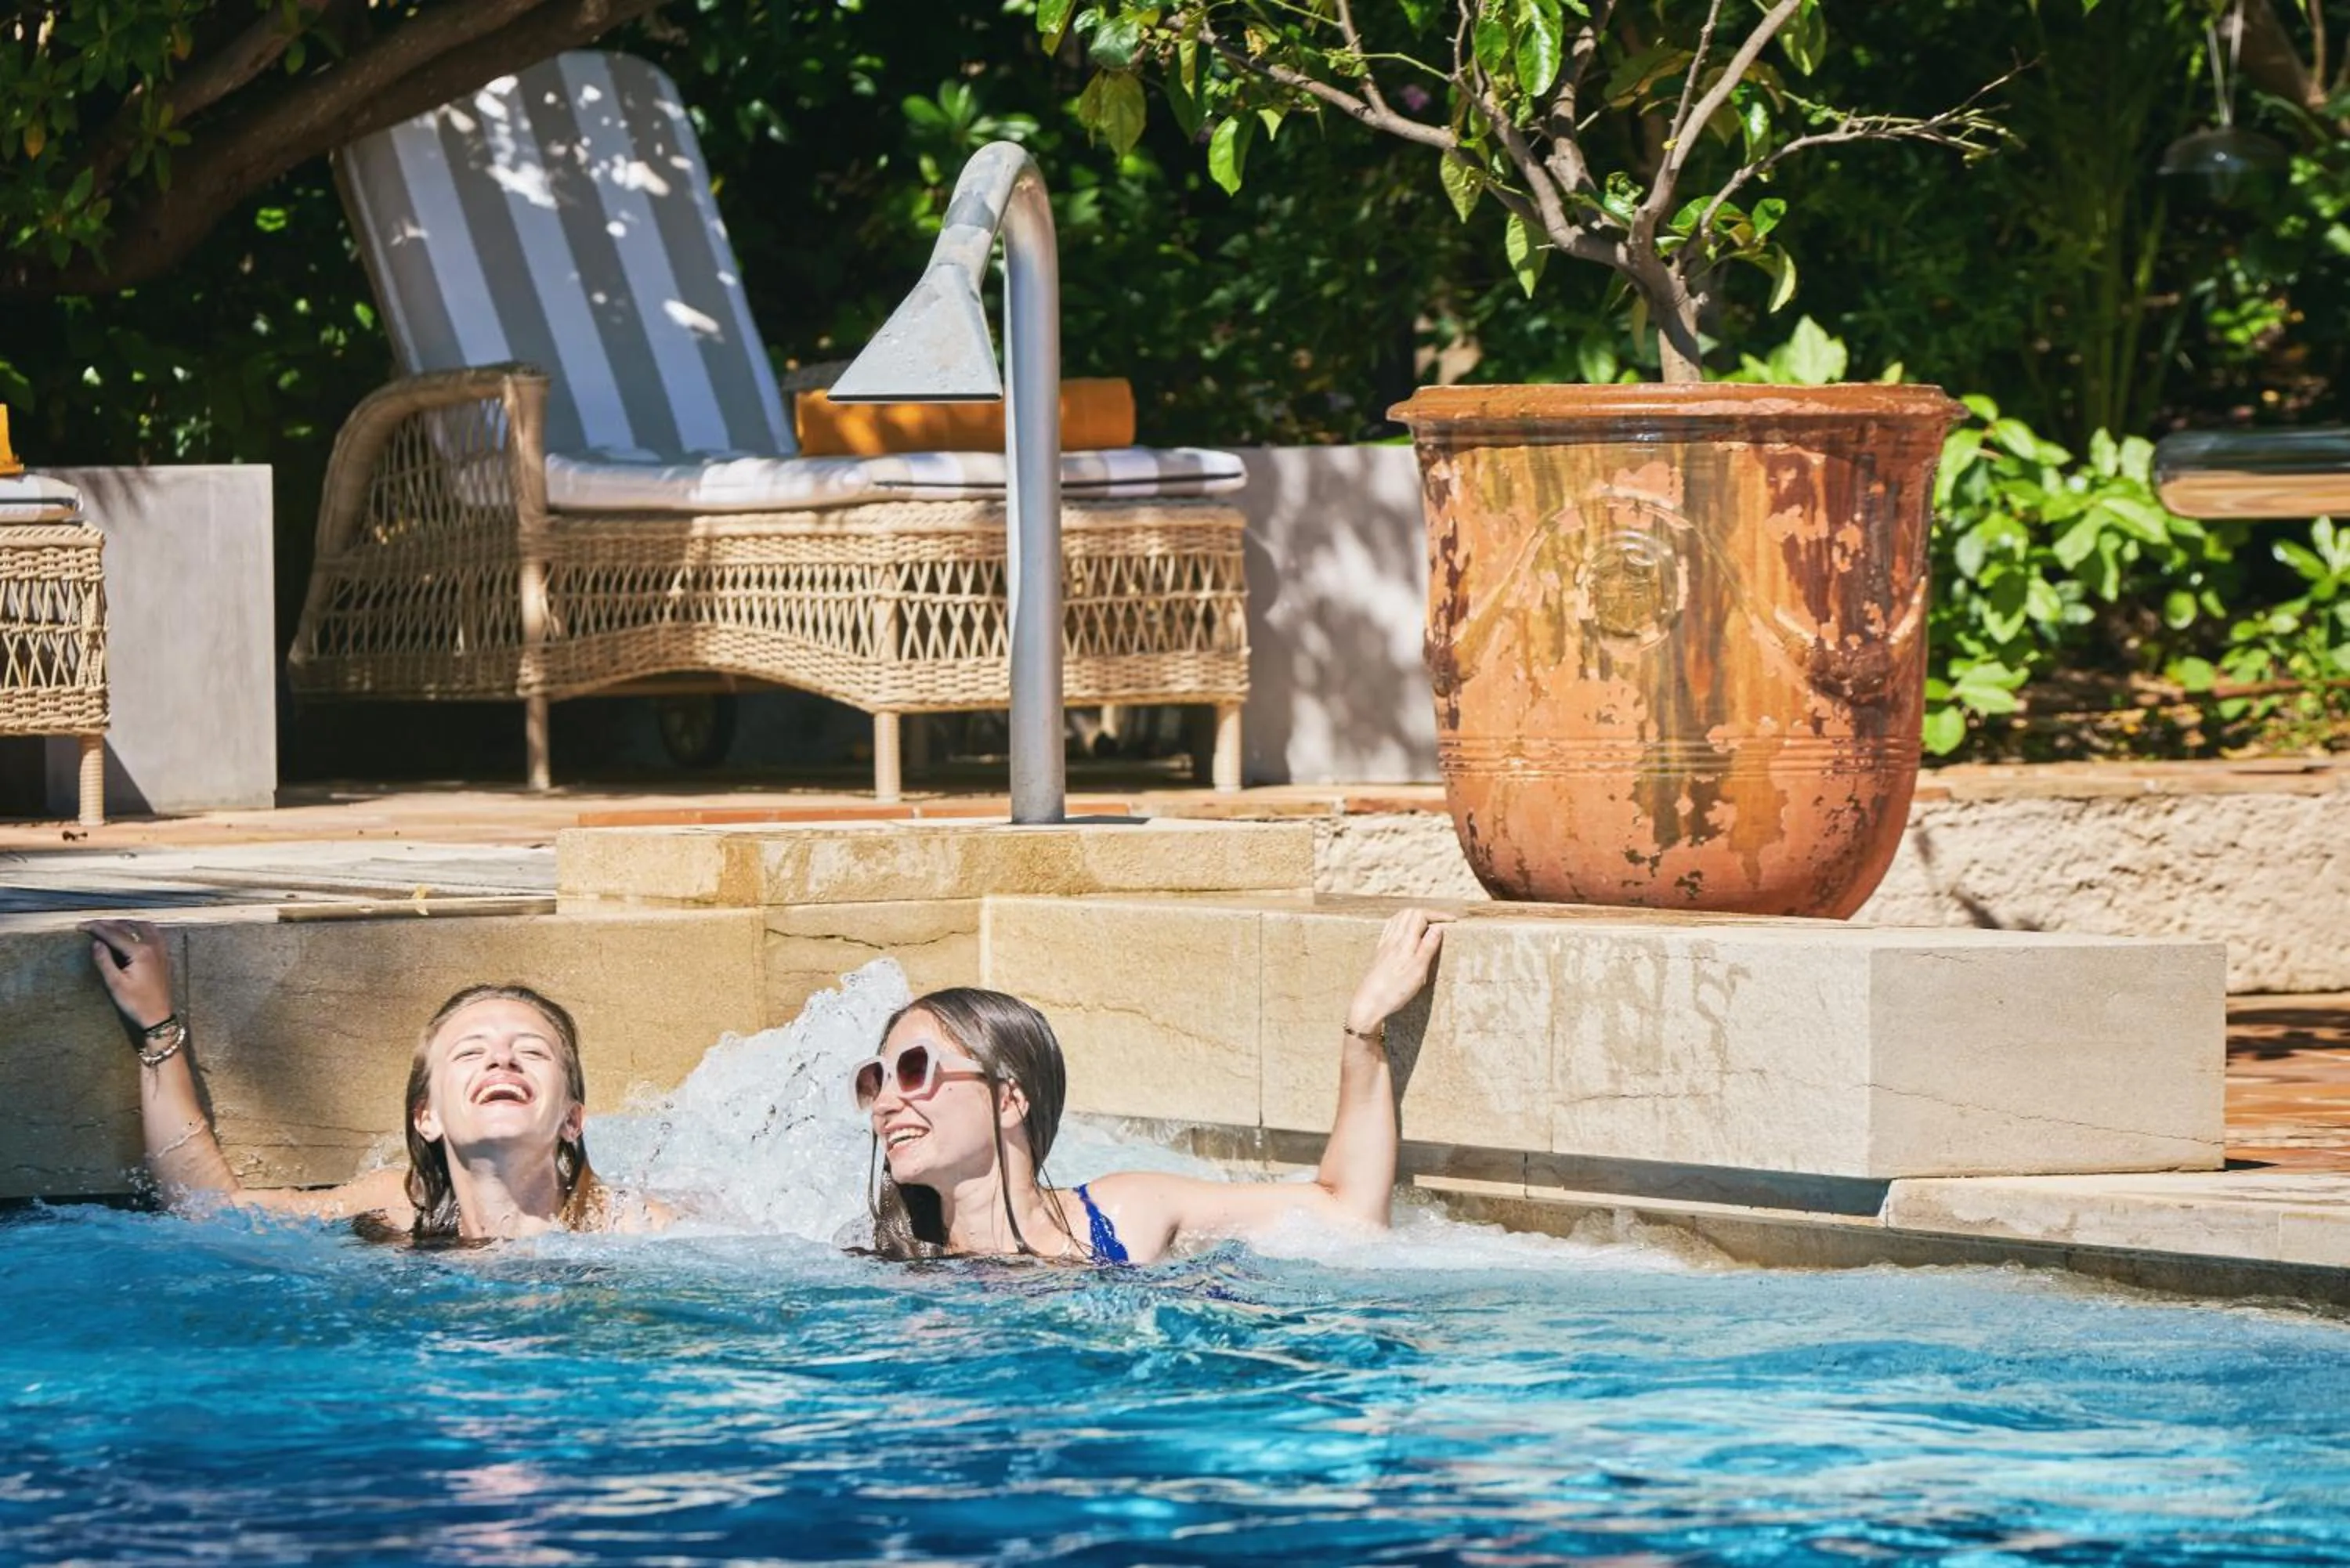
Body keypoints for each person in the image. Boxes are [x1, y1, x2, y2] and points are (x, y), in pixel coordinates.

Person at [857, 907, 1448, 1264]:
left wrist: (1362, 1029)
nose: (886, 1101)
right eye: (875, 1080)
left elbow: (1349, 1216)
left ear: (1009, 1099)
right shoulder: (890, 1267)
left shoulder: (1120, 1216)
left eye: (914, 1069)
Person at [81, 918, 665, 1241]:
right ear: (426, 1116)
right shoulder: (395, 1209)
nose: (501, 1060)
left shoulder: (629, 1226)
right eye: (470, 1053)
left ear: (572, 1119)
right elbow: (210, 1213)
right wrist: (156, 1027)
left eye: (531, 1052)